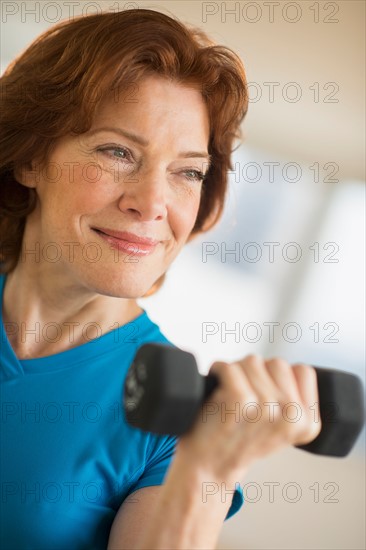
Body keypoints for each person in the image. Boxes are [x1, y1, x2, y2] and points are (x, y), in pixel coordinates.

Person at [0, 8, 321, 549]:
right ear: (31, 158)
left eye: (187, 172)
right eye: (118, 151)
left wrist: (209, 471)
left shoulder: (177, 427)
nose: (152, 203)